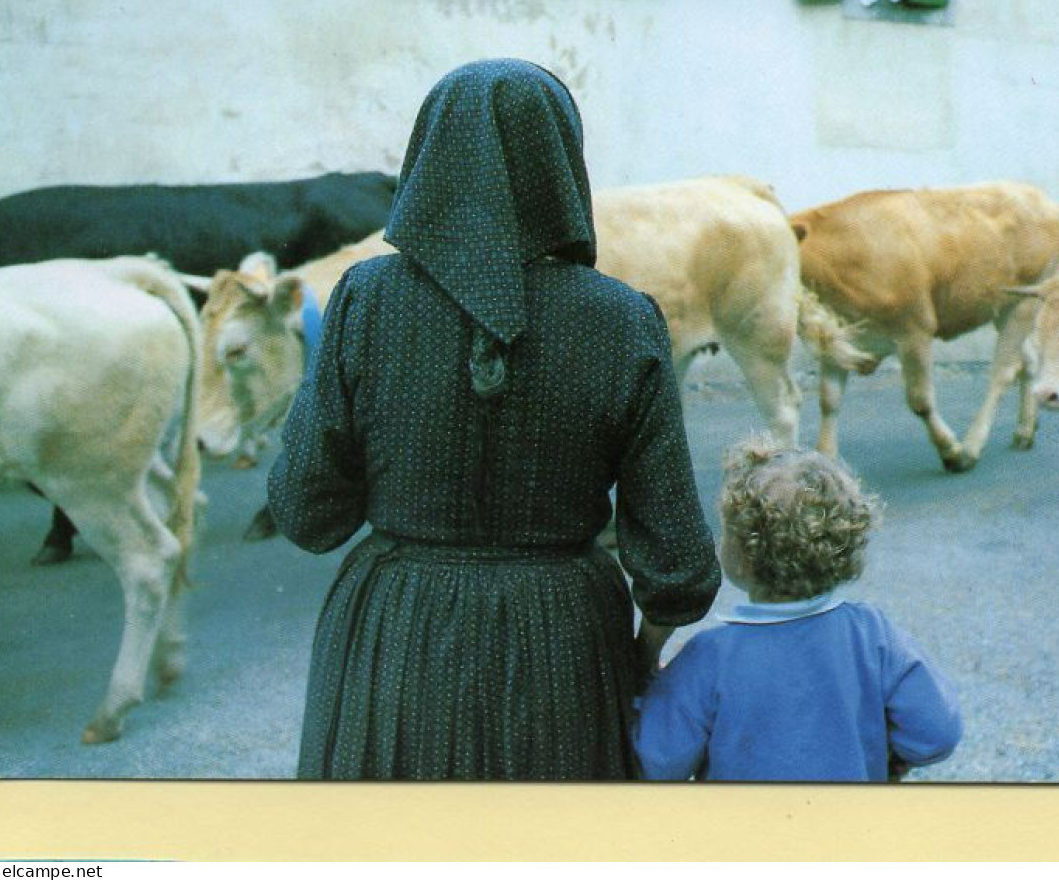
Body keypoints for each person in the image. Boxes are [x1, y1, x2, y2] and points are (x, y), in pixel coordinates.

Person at [268, 58, 722, 780]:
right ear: (560, 164)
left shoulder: (364, 301)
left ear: (430, 156)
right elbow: (680, 566)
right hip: (565, 649)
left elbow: (305, 512)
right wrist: (638, 656)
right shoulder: (623, 321)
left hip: (395, 641)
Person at [634, 437, 963, 782]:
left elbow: (660, 761)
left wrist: (650, 691)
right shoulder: (872, 634)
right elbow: (938, 731)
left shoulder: (709, 656)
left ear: (744, 558)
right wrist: (891, 759)